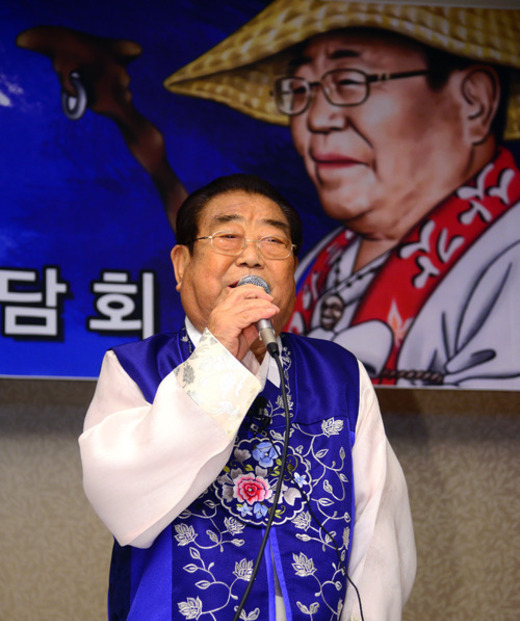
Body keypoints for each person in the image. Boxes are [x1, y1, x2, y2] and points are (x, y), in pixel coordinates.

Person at [78, 173, 415, 621]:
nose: (252, 256)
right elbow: (124, 502)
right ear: (181, 264)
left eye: (274, 241)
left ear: (292, 269)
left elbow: (377, 527)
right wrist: (221, 359)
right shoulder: (135, 370)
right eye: (228, 237)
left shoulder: (338, 376)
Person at [16, 1, 520, 389]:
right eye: (301, 91)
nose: (317, 119)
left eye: (349, 82)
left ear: (474, 101)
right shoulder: (333, 258)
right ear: (180, 264)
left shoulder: (505, 258)